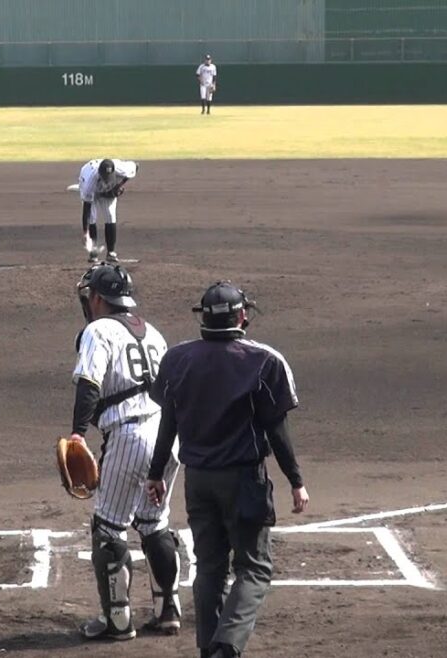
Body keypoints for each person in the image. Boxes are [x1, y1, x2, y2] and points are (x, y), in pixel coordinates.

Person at [145, 281, 310, 658]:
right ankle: (228, 646)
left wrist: (156, 473)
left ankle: (209, 648)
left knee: (210, 568)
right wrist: (296, 481)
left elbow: (168, 423)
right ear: (242, 316)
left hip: (198, 482)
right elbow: (277, 431)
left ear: (203, 317)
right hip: (242, 481)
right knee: (254, 568)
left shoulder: (177, 359)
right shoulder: (263, 361)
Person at [68, 263, 182, 641]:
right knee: (154, 523)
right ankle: (168, 610)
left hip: (130, 436)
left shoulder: (98, 331)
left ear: (98, 298)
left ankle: (116, 621)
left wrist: (77, 433)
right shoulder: (153, 333)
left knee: (108, 528)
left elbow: (89, 384)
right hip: (167, 436)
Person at [78, 158, 139, 264]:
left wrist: (119, 185)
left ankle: (111, 253)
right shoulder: (89, 183)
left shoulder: (122, 168)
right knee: (92, 217)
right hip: (89, 185)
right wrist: (85, 233)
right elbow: (87, 208)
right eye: (105, 177)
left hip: (105, 188)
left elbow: (136, 166)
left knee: (110, 215)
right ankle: (93, 252)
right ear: (99, 174)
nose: (107, 179)